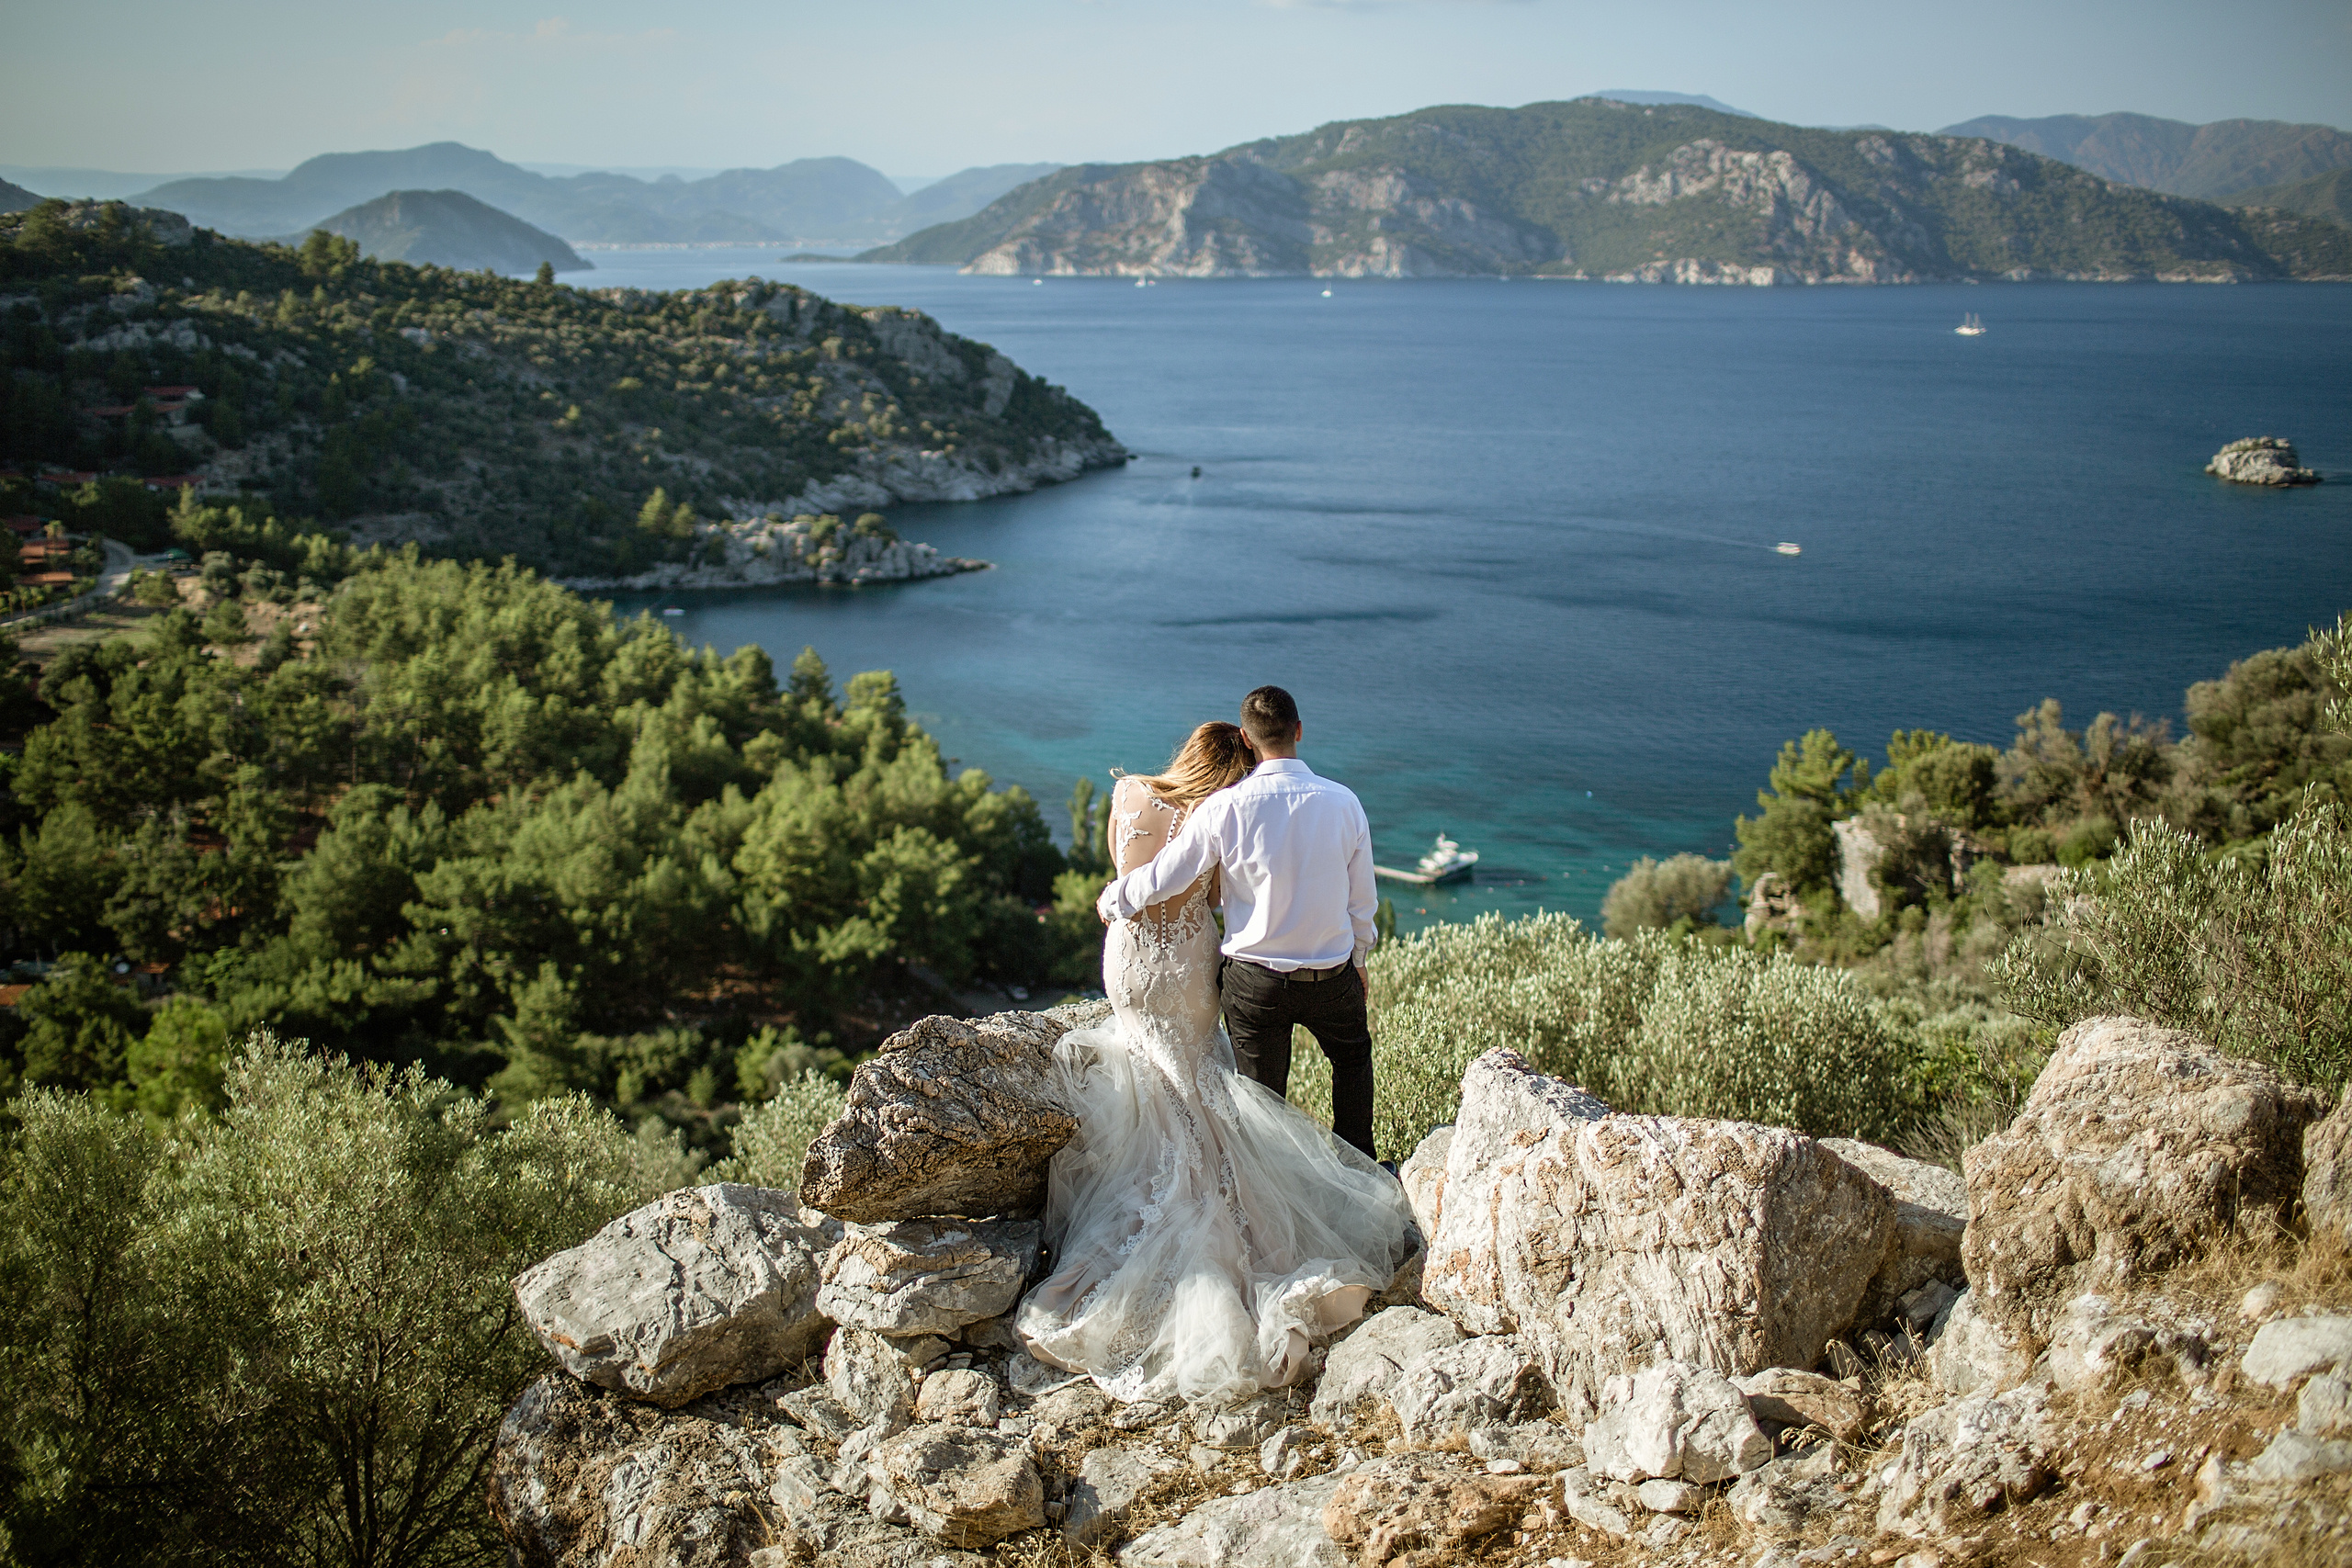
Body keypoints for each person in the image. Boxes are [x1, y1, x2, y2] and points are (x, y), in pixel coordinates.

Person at [1015, 713, 1413, 1403]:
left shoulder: (1130, 795)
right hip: (1190, 975)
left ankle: (1161, 1191)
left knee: (1150, 1073)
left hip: (1133, 969)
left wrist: (1123, 897)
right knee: (1199, 1077)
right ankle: (1223, 1198)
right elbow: (1228, 897)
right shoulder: (1220, 816)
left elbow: (1124, 873)